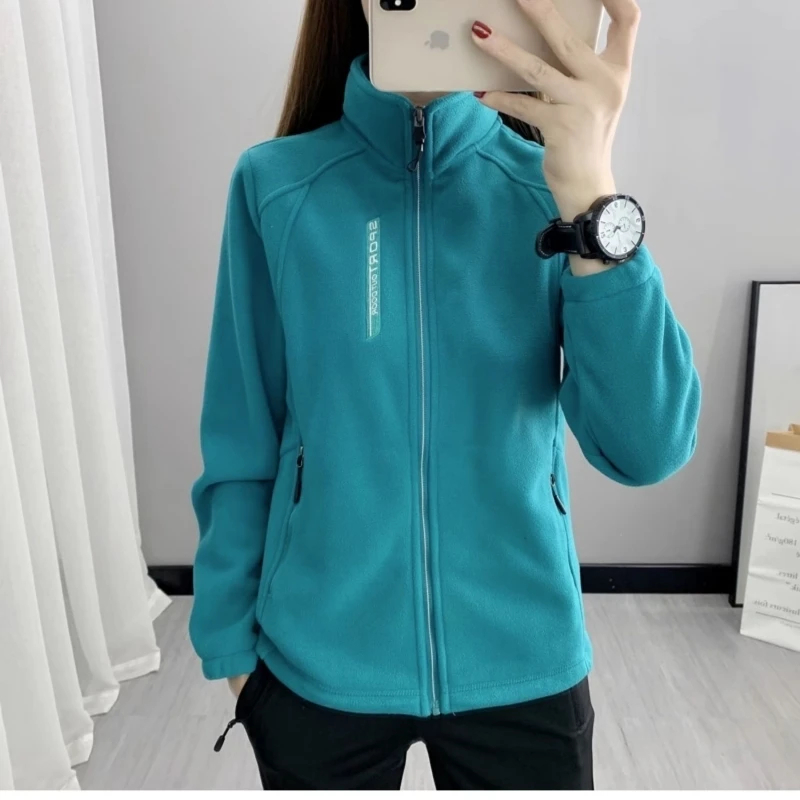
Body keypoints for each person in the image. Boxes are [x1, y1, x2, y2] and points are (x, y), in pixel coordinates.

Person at [189, 0, 701, 790]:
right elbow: (242, 429)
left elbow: (647, 448)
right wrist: (231, 650)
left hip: (524, 657)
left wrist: (592, 195)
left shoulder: (549, 191)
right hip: (318, 662)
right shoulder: (277, 185)